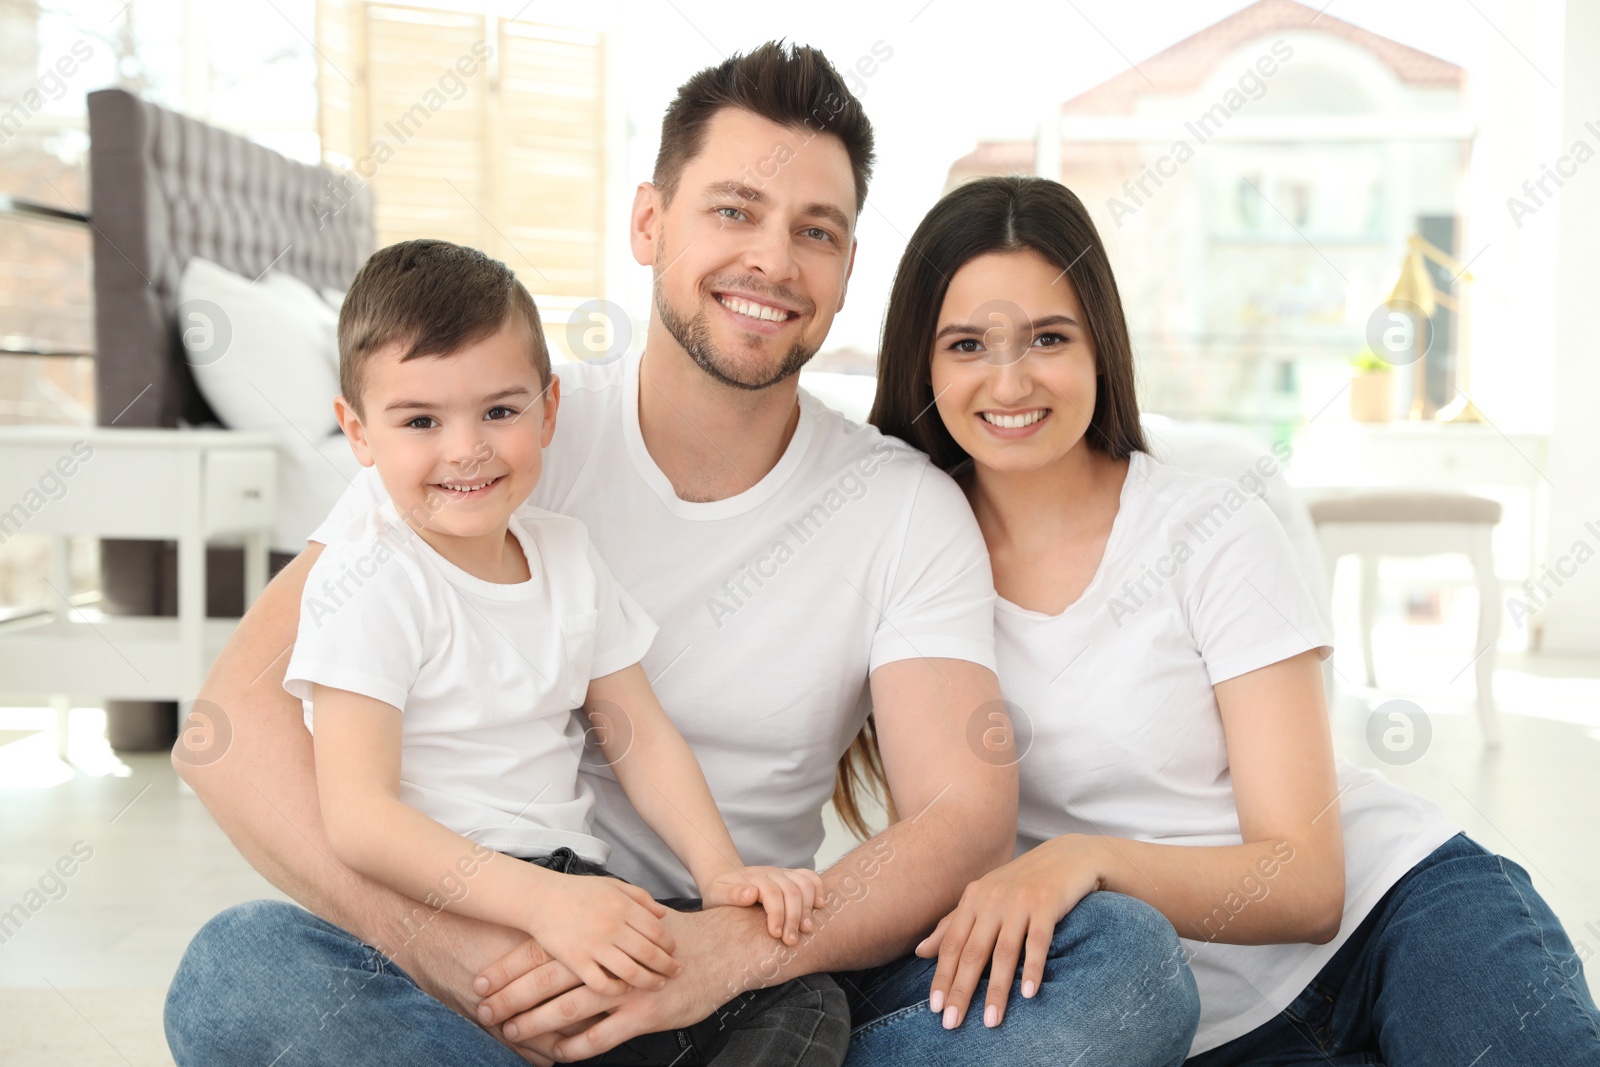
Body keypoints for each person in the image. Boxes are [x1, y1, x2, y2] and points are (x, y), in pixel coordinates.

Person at [164, 42, 1199, 1067]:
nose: (772, 260)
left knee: (1122, 964)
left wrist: (721, 953)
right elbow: (227, 728)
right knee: (242, 971)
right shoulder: (490, 432)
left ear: (845, 268)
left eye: (816, 230)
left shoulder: (901, 505)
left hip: (750, 969)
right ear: (651, 222)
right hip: (501, 951)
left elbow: (960, 817)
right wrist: (470, 958)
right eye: (734, 209)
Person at [862, 173, 1600, 1065]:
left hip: (1397, 916)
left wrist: (1085, 857)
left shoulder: (1211, 527)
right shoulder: (909, 567)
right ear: (922, 365)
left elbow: (1310, 880)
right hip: (1187, 1022)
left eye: (1049, 337)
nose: (1010, 379)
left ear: (1101, 347)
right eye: (968, 343)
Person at [269, 237, 847, 1067]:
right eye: (421, 421)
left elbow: (640, 734)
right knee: (248, 963)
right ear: (357, 433)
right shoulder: (368, 576)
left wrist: (720, 874)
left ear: (549, 409)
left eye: (499, 412)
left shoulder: (566, 553)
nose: (466, 448)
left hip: (580, 894)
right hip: (446, 915)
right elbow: (359, 820)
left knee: (799, 991)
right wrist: (540, 904)